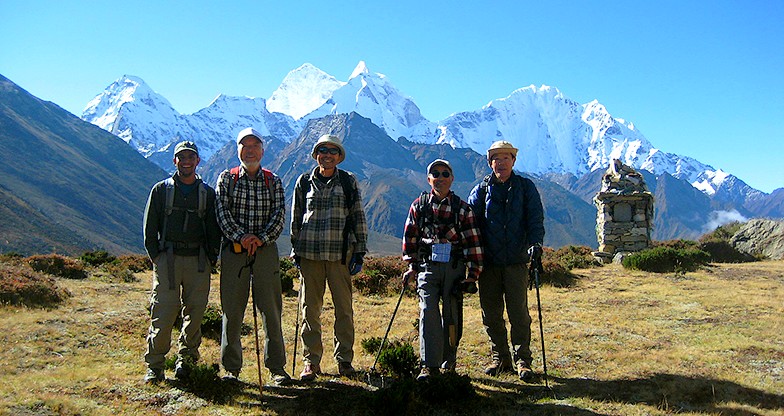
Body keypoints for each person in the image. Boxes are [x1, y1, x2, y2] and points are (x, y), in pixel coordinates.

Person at [215, 127, 292, 386]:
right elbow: (222, 213)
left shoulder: (274, 181)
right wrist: (242, 237)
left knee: (271, 310)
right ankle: (231, 369)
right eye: (244, 146)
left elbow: (279, 216)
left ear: (262, 149)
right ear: (237, 149)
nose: (250, 150)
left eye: (254, 146)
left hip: (266, 251)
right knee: (232, 310)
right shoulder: (227, 178)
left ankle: (277, 368)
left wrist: (260, 238)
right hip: (234, 252)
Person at [290, 134, 368, 381]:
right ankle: (311, 362)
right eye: (323, 150)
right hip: (310, 255)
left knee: (344, 310)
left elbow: (357, 216)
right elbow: (296, 219)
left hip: (340, 256)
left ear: (339, 157)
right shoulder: (303, 182)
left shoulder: (348, 181)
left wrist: (360, 251)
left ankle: (344, 360)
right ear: (316, 154)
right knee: (309, 310)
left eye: (332, 151)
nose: (327, 154)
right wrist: (295, 250)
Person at [142, 140, 221, 383]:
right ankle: (155, 366)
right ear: (175, 160)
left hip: (197, 262)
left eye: (191, 157)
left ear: (197, 161)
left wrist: (210, 258)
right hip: (168, 260)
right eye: (182, 157)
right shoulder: (160, 191)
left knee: (195, 314)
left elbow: (213, 230)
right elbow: (149, 230)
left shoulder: (207, 194)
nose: (186, 161)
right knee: (163, 313)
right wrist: (157, 258)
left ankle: (186, 361)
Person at [467, 140, 545, 381]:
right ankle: (500, 358)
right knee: (490, 314)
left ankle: (523, 360)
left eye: (505, 158)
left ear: (513, 161)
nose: (500, 163)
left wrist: (536, 244)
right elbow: (471, 225)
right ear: (490, 163)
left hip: (515, 263)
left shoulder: (525, 187)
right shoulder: (480, 192)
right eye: (496, 159)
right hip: (488, 264)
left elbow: (535, 219)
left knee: (518, 313)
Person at [402, 159, 484, 380]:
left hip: (455, 268)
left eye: (445, 174)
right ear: (429, 179)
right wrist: (412, 267)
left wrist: (473, 275)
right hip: (427, 268)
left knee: (452, 315)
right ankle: (429, 365)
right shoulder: (418, 207)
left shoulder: (463, 209)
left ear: (452, 178)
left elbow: (473, 244)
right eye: (435, 174)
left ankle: (449, 364)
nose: (440, 178)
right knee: (428, 311)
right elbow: (410, 240)